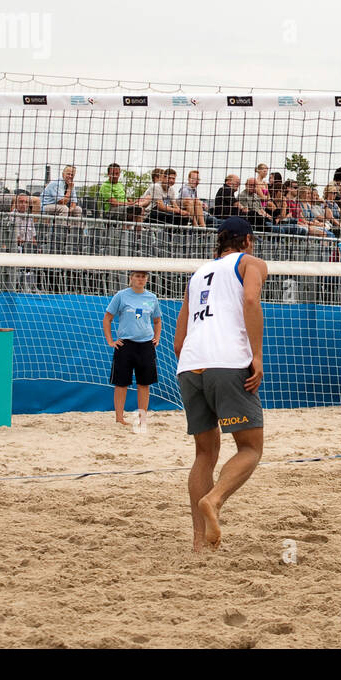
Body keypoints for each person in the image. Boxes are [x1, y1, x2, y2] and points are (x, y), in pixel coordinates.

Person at [173, 217, 268, 551]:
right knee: (250, 448)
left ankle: (199, 543)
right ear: (245, 240)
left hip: (190, 365)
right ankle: (213, 500)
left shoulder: (198, 274)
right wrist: (255, 356)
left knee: (204, 454)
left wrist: (194, 367)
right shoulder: (251, 263)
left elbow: (178, 340)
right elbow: (251, 302)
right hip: (227, 361)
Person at [103, 269, 162, 431]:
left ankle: (142, 418)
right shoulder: (121, 296)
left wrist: (157, 337)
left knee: (144, 383)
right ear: (131, 278)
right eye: (137, 276)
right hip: (125, 345)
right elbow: (107, 318)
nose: (140, 279)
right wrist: (110, 341)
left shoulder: (152, 298)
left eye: (143, 276)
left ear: (147, 279)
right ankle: (119, 418)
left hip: (145, 346)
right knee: (121, 383)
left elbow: (157, 320)